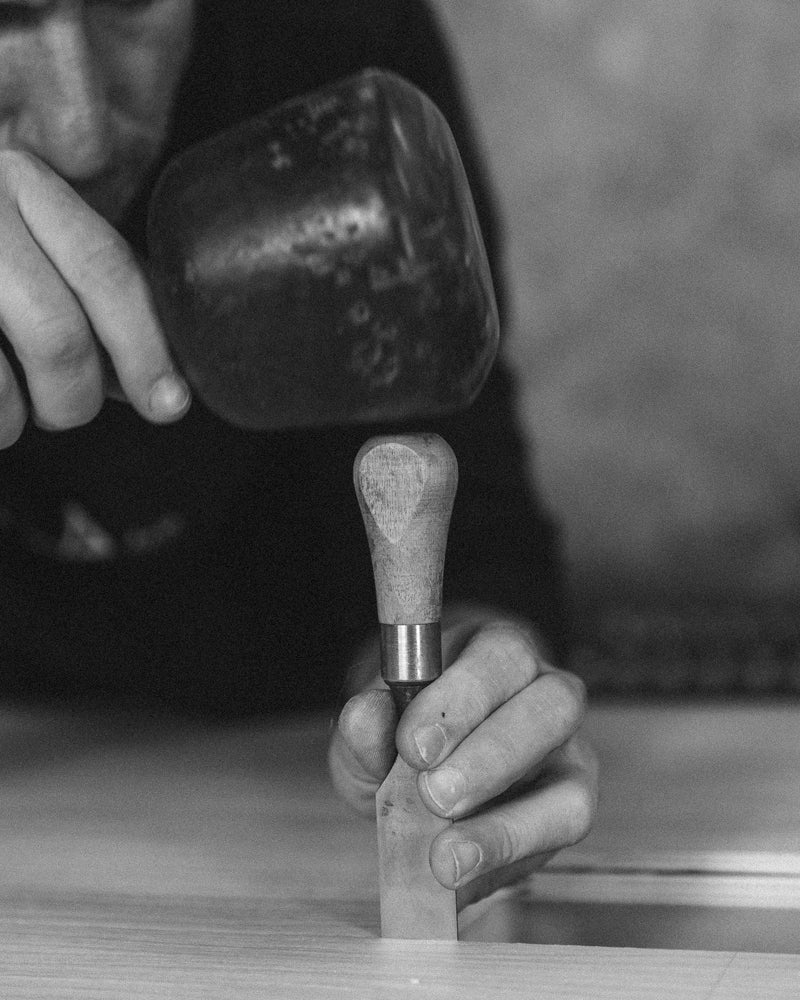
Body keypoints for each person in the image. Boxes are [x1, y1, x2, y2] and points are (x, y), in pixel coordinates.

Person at [0, 0, 597, 905]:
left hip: (281, 797)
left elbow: (480, 531)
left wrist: (477, 692)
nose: (81, 130)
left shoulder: (343, 53)